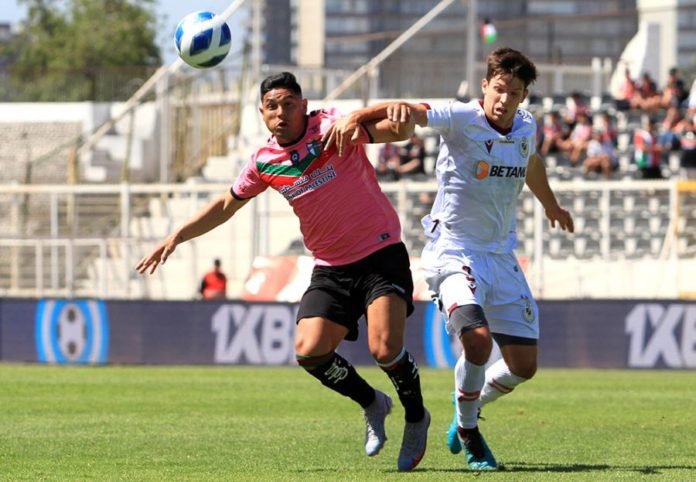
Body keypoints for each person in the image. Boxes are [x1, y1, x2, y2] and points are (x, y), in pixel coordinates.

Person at [135, 72, 430, 472]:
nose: (281, 113)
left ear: (303, 105)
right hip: (330, 266)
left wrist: (380, 112)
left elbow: (400, 127)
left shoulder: (331, 127)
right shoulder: (264, 162)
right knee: (310, 353)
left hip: (380, 253)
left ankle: (416, 417)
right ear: (262, 113)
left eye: (289, 103)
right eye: (272, 106)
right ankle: (372, 403)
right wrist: (177, 235)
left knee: (384, 349)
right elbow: (227, 204)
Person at [332, 47, 574, 471]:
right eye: (499, 89)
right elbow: (409, 110)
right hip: (454, 252)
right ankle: (468, 428)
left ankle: (471, 401)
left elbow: (531, 162)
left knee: (524, 367)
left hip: (500, 256)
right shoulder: (461, 117)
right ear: (485, 85)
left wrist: (551, 205)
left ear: (523, 97)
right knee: (477, 340)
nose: (504, 99)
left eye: (514, 93)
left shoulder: (526, 126)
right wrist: (359, 116)